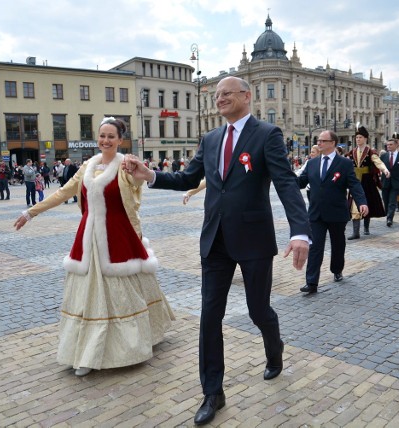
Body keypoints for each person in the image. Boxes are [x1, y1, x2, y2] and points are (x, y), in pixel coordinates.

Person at [124, 76, 310, 426]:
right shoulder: (210, 139)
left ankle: (274, 347)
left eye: (227, 94)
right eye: (217, 95)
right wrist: (150, 175)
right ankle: (213, 392)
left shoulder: (267, 134)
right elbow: (189, 179)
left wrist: (300, 231)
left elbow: (285, 182)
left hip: (253, 240)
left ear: (246, 96)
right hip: (215, 241)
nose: (220, 99)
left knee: (259, 311)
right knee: (210, 316)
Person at [13, 117, 174, 377]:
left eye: (111, 136)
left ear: (120, 140)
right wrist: (31, 212)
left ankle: (135, 341)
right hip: (89, 238)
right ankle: (87, 352)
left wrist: (139, 172)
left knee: (126, 290)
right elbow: (63, 193)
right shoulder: (88, 166)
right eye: (102, 136)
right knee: (89, 293)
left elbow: (136, 186)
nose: (106, 140)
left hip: (118, 237)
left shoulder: (126, 165)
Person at [297, 130, 367, 295]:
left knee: (338, 244)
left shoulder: (344, 163)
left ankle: (337, 269)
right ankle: (312, 282)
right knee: (315, 247)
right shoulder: (313, 163)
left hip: (336, 213)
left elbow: (354, 185)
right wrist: (284, 178)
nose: (319, 143)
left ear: (332, 143)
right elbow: (301, 181)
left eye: (322, 140)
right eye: (318, 140)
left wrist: (362, 202)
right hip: (316, 214)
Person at [347, 125, 388, 239]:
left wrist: (385, 169)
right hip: (355, 182)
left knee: (367, 203)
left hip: (367, 181)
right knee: (354, 206)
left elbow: (377, 161)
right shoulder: (352, 152)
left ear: (365, 138)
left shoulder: (370, 152)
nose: (358, 139)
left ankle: (366, 227)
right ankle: (356, 232)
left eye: (360, 137)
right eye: (357, 137)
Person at [380, 138, 399, 227]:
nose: (388, 146)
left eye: (391, 144)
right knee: (385, 201)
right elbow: (380, 168)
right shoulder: (383, 156)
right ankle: (387, 214)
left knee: (392, 201)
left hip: (396, 183)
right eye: (387, 145)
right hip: (385, 182)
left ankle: (390, 219)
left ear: (396, 145)